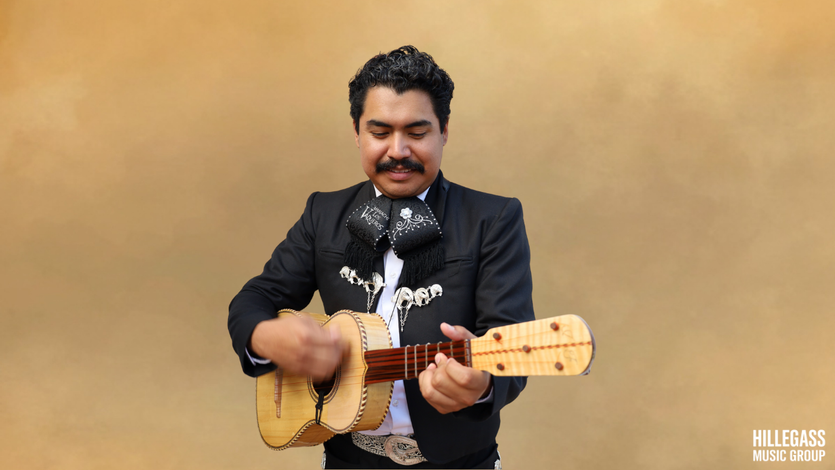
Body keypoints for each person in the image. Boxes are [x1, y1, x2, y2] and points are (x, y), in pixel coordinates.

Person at [228, 45, 535, 469]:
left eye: (416, 131)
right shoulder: (324, 212)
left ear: (444, 130)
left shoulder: (493, 218)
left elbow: (511, 346)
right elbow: (253, 300)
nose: (398, 150)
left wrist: (481, 384)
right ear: (356, 132)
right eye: (379, 132)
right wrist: (265, 338)